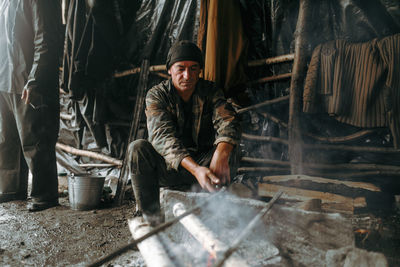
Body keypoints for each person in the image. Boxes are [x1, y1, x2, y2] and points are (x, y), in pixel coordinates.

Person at [128, 40, 242, 222]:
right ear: (170, 70)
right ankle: (151, 219)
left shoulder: (210, 91)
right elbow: (162, 138)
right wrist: (196, 170)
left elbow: (228, 120)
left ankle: (218, 214)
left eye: (193, 68)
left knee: (231, 148)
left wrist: (221, 152)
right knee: (137, 149)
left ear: (200, 71)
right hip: (169, 169)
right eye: (180, 68)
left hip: (205, 167)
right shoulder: (157, 95)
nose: (187, 75)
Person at [0, 0, 62, 211]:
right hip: (5, 78)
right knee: (8, 139)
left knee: (36, 137)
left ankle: (44, 195)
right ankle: (12, 187)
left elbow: (46, 38)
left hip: (29, 78)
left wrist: (36, 78)